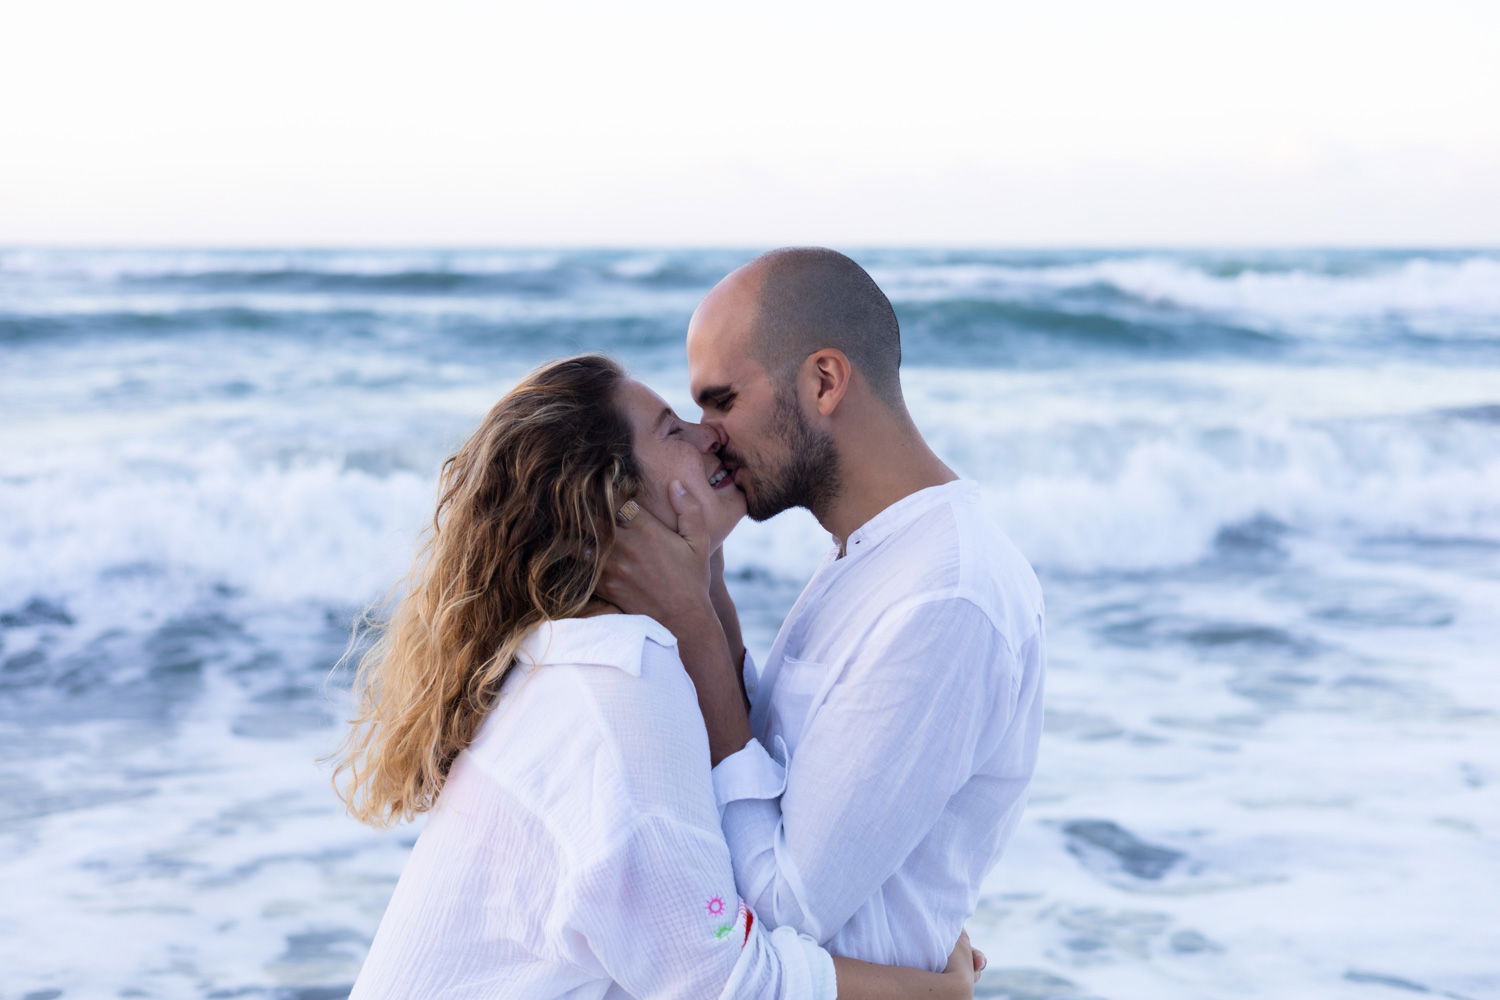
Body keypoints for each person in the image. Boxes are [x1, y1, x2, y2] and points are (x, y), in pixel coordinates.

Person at [333, 355, 980, 998]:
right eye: (674, 430)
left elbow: (701, 890)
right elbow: (719, 978)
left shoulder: (572, 658)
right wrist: (933, 992)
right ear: (612, 503)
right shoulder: (618, 687)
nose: (711, 436)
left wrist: (705, 597)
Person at [602, 248, 1047, 971]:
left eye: (723, 400)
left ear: (824, 382)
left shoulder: (944, 595)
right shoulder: (870, 553)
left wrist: (697, 635)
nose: (707, 433)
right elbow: (771, 766)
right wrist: (707, 587)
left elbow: (785, 909)